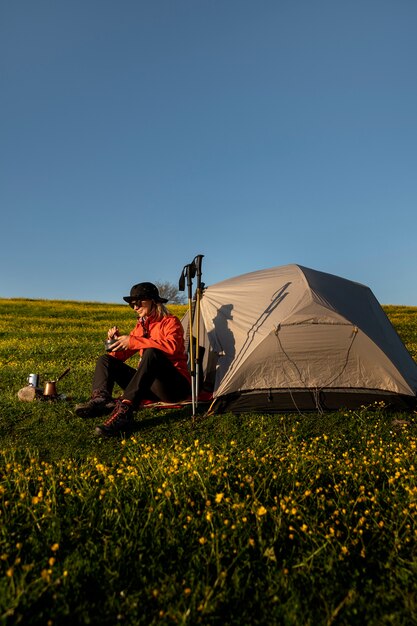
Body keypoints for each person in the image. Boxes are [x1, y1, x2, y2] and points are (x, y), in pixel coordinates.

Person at [75, 282, 191, 437]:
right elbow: (121, 356)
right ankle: (101, 401)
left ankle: (126, 411)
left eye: (138, 302)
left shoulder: (170, 321)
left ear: (153, 301)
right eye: (132, 304)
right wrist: (115, 344)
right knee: (105, 360)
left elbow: (173, 347)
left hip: (174, 387)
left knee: (151, 353)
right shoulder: (141, 326)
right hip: (150, 387)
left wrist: (134, 341)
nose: (135, 307)